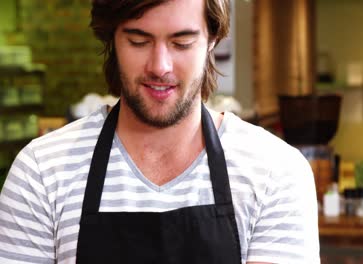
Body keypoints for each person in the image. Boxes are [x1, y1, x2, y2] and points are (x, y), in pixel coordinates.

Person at [0, 0, 320, 263]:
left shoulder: (275, 172)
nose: (160, 65)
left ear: (212, 40)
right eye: (139, 41)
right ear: (111, 40)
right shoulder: (41, 173)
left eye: (181, 42)